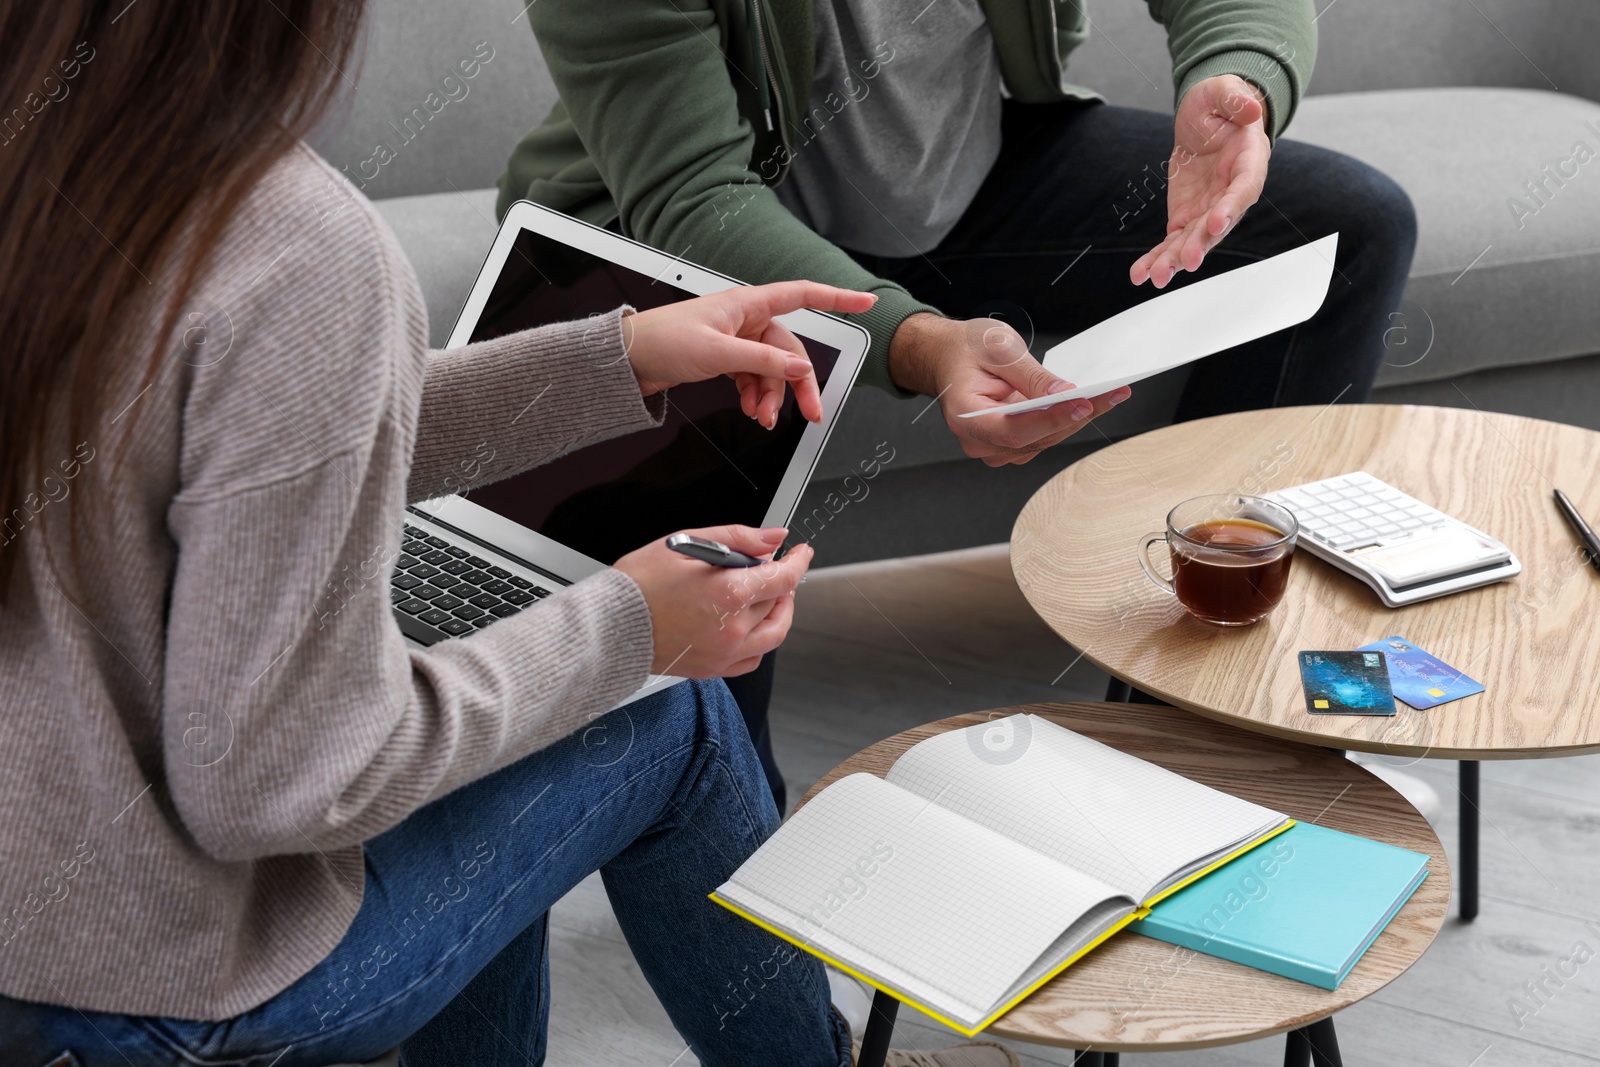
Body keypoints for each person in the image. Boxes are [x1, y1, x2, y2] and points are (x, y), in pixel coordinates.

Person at [0, 4, 1059, 1065]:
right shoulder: (290, 244)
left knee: (503, 736)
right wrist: (624, 630)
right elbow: (278, 782)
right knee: (669, 718)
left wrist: (616, 360)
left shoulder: (54, 148)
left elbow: (266, 431)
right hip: (162, 988)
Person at [502, 0, 1418, 808]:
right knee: (726, 425)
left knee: (1350, 225)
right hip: (694, 232)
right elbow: (693, 198)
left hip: (970, 192)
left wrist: (1238, 73)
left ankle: (1176, 756)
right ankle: (737, 875)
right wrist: (924, 341)